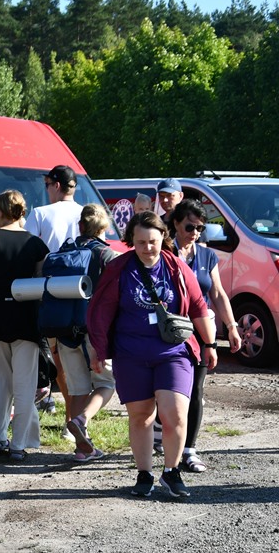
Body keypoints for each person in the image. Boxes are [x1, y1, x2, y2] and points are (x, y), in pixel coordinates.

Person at [87, 212, 217, 498]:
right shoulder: (119, 269)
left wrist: (209, 344)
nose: (147, 248)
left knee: (176, 414)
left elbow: (198, 305)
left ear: (163, 239)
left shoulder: (176, 267)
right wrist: (98, 350)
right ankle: (144, 473)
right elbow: (101, 312)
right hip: (131, 354)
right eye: (141, 242)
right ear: (131, 241)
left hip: (173, 352)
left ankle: (171, 472)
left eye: (153, 241)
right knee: (141, 416)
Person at [0, 190, 49, 461]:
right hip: (26, 316)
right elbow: (41, 284)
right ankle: (20, 443)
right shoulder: (36, 244)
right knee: (25, 384)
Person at [168, 199, 242, 472]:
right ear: (176, 223)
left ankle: (189, 450)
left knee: (195, 389)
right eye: (190, 226)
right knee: (165, 389)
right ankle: (161, 433)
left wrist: (231, 326)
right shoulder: (163, 251)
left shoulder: (207, 255)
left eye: (200, 228)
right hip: (167, 331)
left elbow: (218, 293)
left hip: (199, 331)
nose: (195, 233)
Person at [24, 164, 83, 435]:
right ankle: (76, 420)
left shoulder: (40, 213)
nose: (47, 190)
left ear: (56, 185)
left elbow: (28, 249)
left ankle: (72, 421)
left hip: (51, 291)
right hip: (82, 291)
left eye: (47, 185)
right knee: (79, 360)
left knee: (61, 362)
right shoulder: (86, 212)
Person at [61, 204, 119, 461]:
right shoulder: (107, 255)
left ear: (81, 226)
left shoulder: (64, 250)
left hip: (64, 329)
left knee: (77, 389)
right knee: (106, 383)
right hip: (94, 330)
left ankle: (81, 449)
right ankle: (82, 419)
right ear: (104, 227)